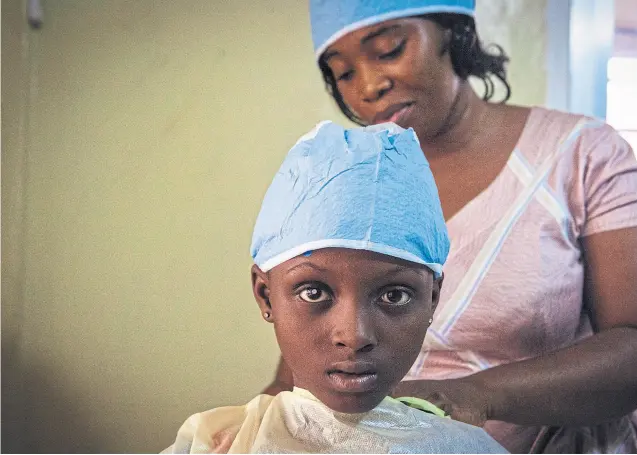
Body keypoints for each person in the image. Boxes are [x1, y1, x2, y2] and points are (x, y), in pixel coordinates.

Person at [262, 1, 637, 452]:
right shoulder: (347, 182)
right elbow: (300, 366)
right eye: (344, 73)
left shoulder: (581, 154)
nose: (369, 85)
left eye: (389, 49)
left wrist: (474, 396)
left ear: (453, 33)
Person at [163, 122, 507, 453]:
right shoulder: (215, 445)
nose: (354, 336)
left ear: (432, 298)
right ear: (266, 294)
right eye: (314, 292)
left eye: (394, 295)